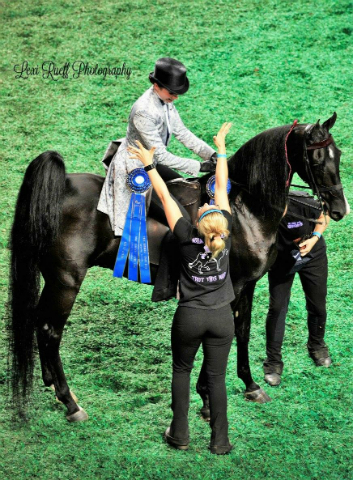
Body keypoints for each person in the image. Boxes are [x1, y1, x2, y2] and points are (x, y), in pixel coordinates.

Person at [128, 123, 234, 455]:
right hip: (221, 318)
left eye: (203, 206)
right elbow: (219, 189)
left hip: (189, 317)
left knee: (182, 370)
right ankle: (220, 441)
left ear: (201, 220)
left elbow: (163, 195)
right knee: (216, 380)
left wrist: (148, 164)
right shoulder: (226, 231)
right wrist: (221, 151)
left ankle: (180, 435)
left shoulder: (186, 234)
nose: (204, 203)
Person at [98, 57, 217, 236]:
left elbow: (182, 132)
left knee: (186, 192)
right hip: (136, 168)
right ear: (156, 86)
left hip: (151, 163)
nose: (176, 97)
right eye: (172, 92)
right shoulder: (143, 111)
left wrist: (210, 154)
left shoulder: (166, 101)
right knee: (181, 218)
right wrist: (199, 166)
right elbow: (161, 155)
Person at [263, 191, 332, 387]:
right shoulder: (264, 211)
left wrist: (315, 237)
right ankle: (273, 363)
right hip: (281, 260)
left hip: (312, 254)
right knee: (277, 309)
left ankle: (317, 346)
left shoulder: (302, 202)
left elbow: (324, 213)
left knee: (318, 304)